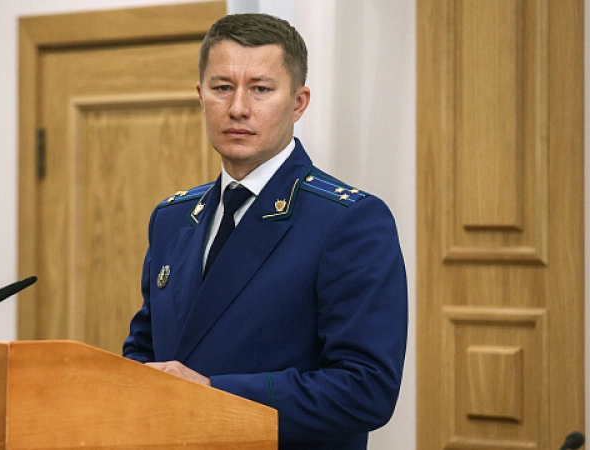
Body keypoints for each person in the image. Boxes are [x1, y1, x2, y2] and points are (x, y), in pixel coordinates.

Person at [123, 13, 407, 450]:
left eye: (260, 89)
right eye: (222, 88)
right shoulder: (172, 218)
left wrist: (213, 393)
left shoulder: (348, 221)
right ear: (200, 96)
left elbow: (367, 389)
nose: (238, 107)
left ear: (298, 102)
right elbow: (143, 350)